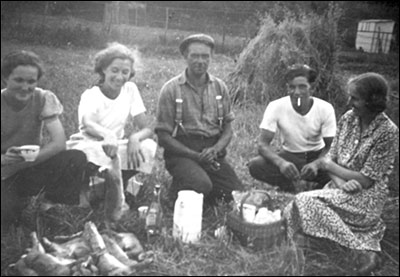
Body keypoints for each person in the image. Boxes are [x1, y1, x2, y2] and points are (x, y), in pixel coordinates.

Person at [283, 72, 399, 275]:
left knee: (303, 202)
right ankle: (321, 242)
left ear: (372, 101)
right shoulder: (348, 119)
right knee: (290, 210)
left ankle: (357, 249)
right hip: (339, 188)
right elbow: (332, 157)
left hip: (365, 198)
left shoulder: (388, 132)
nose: (349, 101)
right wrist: (339, 181)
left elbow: (364, 179)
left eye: (355, 98)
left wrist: (330, 168)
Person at [1, 50, 89, 228]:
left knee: (75, 158)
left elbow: (59, 143)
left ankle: (51, 206)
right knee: (8, 219)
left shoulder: (42, 98)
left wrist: (22, 163)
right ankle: (14, 200)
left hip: (29, 166)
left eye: (31, 81)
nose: (25, 87)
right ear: (5, 79)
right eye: (18, 80)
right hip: (3, 171)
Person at [155, 34, 243, 205]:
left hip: (212, 153)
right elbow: (163, 136)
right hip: (182, 153)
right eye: (194, 55)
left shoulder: (220, 87)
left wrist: (215, 150)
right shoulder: (171, 89)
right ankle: (178, 191)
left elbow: (227, 129)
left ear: (211, 57)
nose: (200, 61)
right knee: (201, 185)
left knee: (236, 193)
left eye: (205, 56)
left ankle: (201, 186)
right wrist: (194, 156)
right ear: (185, 56)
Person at [67, 42, 154, 209]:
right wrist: (107, 134)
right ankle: (84, 190)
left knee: (148, 147)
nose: (119, 77)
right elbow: (88, 122)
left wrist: (136, 137)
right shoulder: (92, 94)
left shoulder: (130, 90)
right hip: (89, 143)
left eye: (125, 72)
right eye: (114, 70)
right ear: (104, 69)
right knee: (83, 155)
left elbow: (147, 127)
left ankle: (118, 185)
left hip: (114, 147)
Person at [248, 64, 337, 192]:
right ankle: (288, 186)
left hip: (317, 155)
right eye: (292, 87)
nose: (297, 92)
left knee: (340, 168)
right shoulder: (276, 106)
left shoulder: (325, 108)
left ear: (311, 88)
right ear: (287, 88)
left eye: (302, 87)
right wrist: (281, 163)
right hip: (290, 156)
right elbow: (262, 144)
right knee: (256, 165)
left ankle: (316, 191)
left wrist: (316, 164)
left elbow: (331, 146)